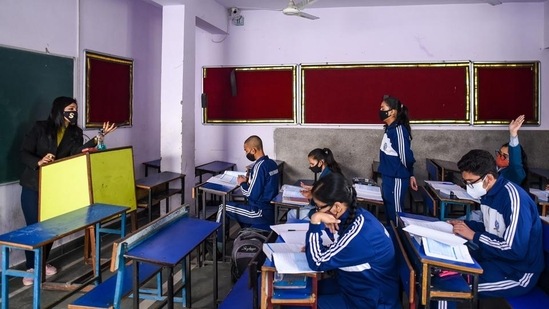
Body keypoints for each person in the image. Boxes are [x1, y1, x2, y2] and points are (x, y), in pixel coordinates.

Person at [19, 96, 116, 286]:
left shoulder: (75, 132)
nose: (74, 112)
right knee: (33, 227)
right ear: (59, 110)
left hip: (56, 186)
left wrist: (99, 137)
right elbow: (23, 152)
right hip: (33, 185)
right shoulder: (40, 128)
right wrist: (39, 162)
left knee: (50, 227)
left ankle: (42, 262)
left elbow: (76, 153)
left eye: (76, 109)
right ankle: (31, 268)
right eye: (70, 108)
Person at [439, 149, 543, 307]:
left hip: (517, 274)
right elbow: (491, 227)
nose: (467, 187)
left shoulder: (514, 200)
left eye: (470, 182)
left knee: (444, 289)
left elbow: (514, 249)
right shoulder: (488, 194)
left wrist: (473, 235)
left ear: (487, 178)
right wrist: (464, 226)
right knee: (442, 269)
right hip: (494, 260)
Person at [305, 173, 400, 308]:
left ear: (337, 207)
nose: (318, 211)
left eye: (319, 208)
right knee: (304, 290)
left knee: (300, 302)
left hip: (368, 301)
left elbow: (317, 262)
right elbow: (340, 248)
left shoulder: (361, 235)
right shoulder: (356, 216)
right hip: (352, 285)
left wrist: (315, 221)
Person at [215, 135, 279, 243]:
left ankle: (218, 245)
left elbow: (251, 194)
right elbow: (264, 186)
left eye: (246, 150)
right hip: (270, 210)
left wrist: (242, 183)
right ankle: (246, 232)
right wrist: (250, 180)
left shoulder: (259, 166)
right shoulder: (272, 163)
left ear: (253, 150)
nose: (246, 154)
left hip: (259, 212)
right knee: (236, 207)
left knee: (223, 207)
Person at [377, 95, 417, 225]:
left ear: (393, 111)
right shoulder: (390, 129)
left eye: (383, 108)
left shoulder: (398, 130)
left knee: (396, 211)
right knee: (389, 208)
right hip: (389, 176)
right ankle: (393, 238)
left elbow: (406, 156)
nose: (380, 110)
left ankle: (400, 240)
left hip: (397, 177)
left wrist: (410, 174)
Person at [287, 147, 342, 221]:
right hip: (325, 208)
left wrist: (312, 196)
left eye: (312, 164)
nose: (311, 166)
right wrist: (314, 188)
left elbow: (326, 198)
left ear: (320, 162)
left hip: (326, 211)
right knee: (302, 207)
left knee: (291, 213)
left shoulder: (327, 176)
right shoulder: (328, 171)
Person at [496, 114, 529, 191]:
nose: (501, 157)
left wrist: (513, 134)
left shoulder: (516, 173)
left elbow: (515, 164)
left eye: (505, 156)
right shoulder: (494, 168)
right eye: (499, 153)